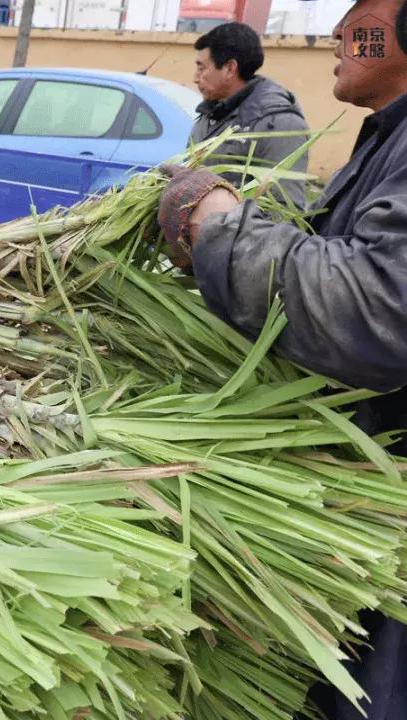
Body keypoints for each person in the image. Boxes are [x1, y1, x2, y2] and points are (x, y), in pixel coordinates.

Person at [158, 0, 407, 717]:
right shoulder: (388, 135)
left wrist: (218, 225)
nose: (339, 31)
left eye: (362, 13)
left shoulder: (280, 120)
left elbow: (375, 307)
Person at [191, 21, 311, 206]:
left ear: (229, 68)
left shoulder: (279, 125)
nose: (195, 78)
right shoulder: (211, 113)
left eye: (201, 67)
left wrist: (216, 224)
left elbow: (282, 212)